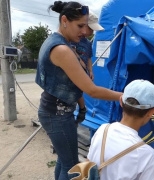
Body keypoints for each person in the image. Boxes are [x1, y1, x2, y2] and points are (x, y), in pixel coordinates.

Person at [35, 1, 122, 180]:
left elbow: (72, 84)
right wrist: (123, 95)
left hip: (55, 110)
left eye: (85, 25)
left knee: (64, 159)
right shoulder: (62, 49)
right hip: (57, 115)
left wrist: (81, 107)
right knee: (72, 166)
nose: (84, 31)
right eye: (80, 25)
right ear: (65, 20)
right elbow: (92, 90)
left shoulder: (58, 41)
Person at [87, 79, 154, 180]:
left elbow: (88, 165)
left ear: (121, 101)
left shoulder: (102, 130)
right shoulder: (147, 155)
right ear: (152, 111)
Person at [71, 12, 105, 124]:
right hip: (74, 70)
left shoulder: (87, 43)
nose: (91, 32)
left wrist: (90, 70)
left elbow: (89, 57)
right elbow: (73, 53)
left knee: (79, 91)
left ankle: (81, 110)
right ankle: (80, 110)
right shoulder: (73, 39)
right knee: (75, 91)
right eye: (91, 29)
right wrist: (81, 63)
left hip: (83, 71)